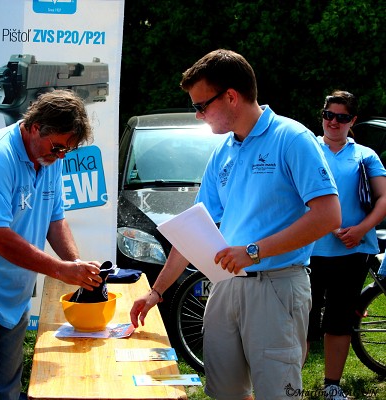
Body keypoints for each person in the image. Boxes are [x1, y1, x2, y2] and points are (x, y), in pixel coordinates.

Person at [129, 49, 342, 400]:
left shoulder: (291, 138)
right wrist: (156, 291)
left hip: (277, 284)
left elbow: (329, 215)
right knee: (225, 392)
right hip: (225, 286)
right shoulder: (223, 150)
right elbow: (193, 228)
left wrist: (254, 252)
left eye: (201, 106)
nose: (198, 115)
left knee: (278, 394)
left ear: (231, 96)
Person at [0, 89, 103, 400]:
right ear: (34, 126)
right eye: (58, 147)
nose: (60, 156)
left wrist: (76, 266)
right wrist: (61, 270)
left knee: (8, 388)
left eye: (67, 150)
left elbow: (55, 219)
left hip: (13, 290)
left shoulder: (51, 157)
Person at [306, 90, 386, 400]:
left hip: (352, 250)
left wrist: (362, 229)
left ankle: (332, 385)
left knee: (339, 320)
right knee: (302, 321)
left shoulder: (365, 155)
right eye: (329, 115)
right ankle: (289, 386)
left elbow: (383, 198)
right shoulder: (307, 148)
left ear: (352, 120)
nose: (333, 122)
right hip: (308, 250)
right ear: (322, 115)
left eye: (342, 117)